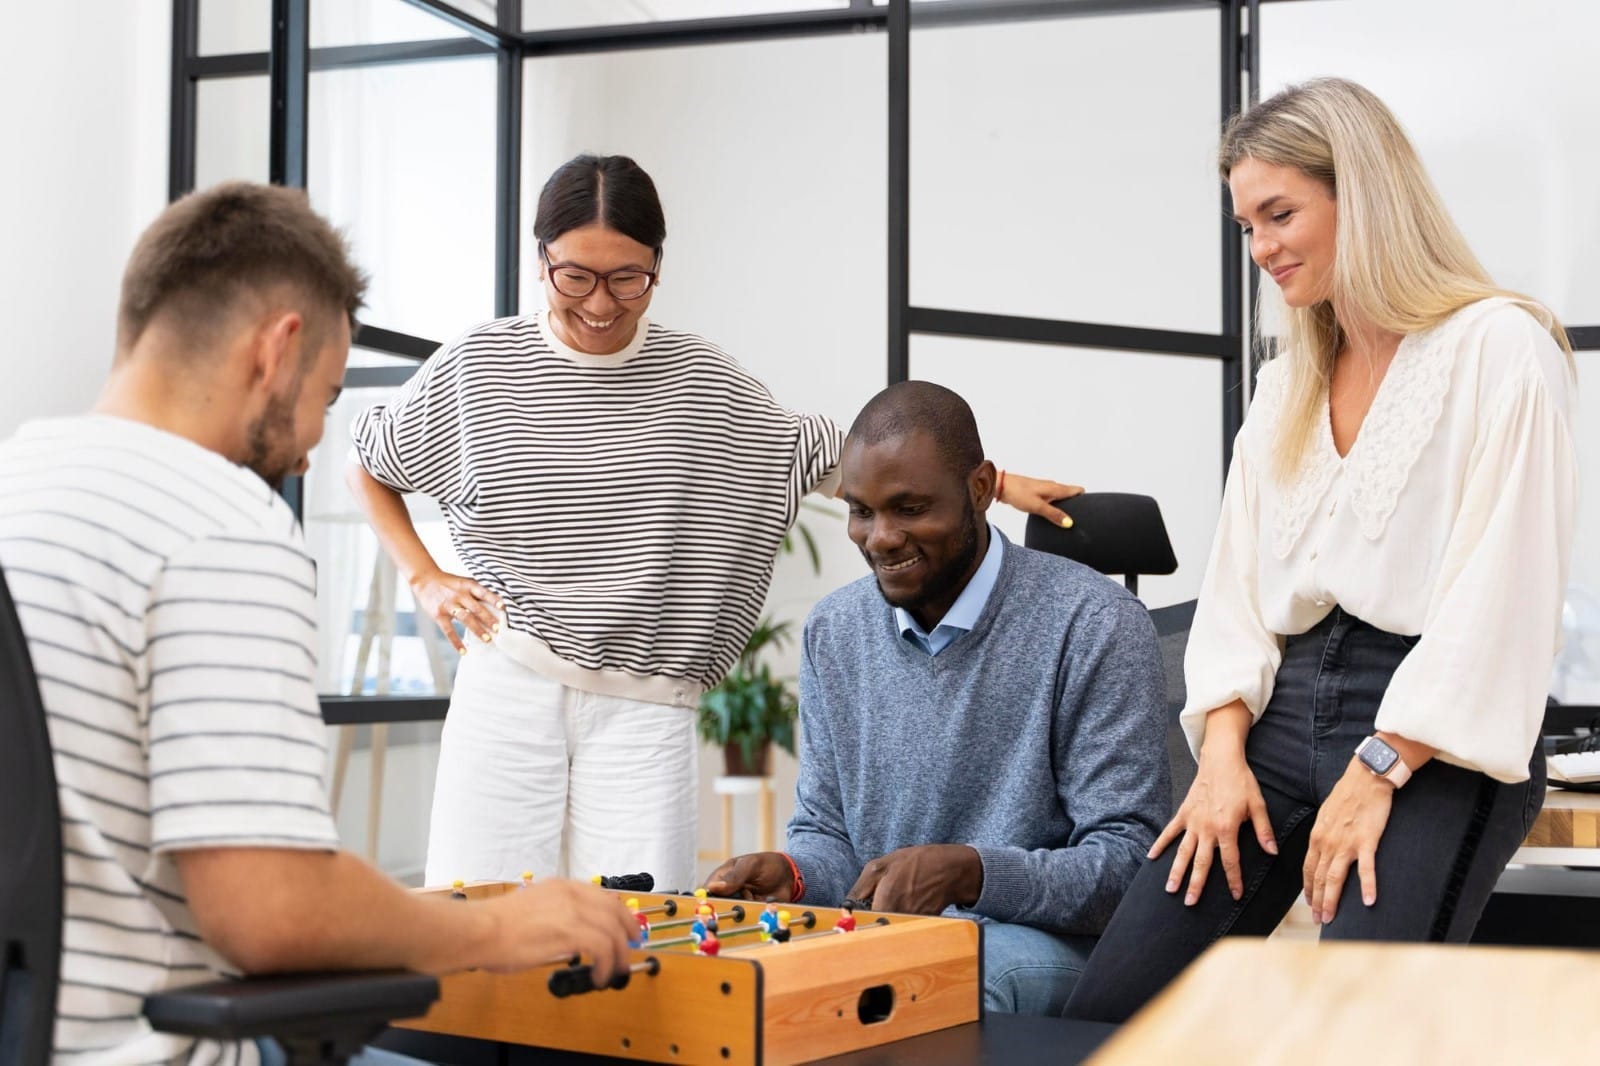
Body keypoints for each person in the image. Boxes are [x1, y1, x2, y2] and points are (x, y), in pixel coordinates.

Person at [0, 182, 636, 1064]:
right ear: (278, 350)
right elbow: (270, 909)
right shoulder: (220, 522)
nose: (308, 451)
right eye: (329, 398)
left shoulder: (17, 481)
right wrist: (496, 930)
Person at [345, 154, 1080, 890]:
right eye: (576, 275)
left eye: (627, 278)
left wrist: (999, 484)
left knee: (640, 949)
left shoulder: (701, 381)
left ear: (657, 268)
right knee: (475, 925)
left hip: (646, 708)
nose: (601, 303)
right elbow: (368, 460)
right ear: (542, 261)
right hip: (507, 684)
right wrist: (427, 577)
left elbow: (838, 460)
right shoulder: (480, 366)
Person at [1063, 79, 1577, 1023]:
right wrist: (1219, 758)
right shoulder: (1287, 381)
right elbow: (1235, 591)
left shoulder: (1502, 349)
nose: (1261, 249)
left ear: (1365, 193)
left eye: (1280, 214)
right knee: (1108, 1015)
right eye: (1246, 226)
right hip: (1273, 716)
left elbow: (1500, 602)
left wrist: (1380, 767)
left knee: (1353, 1022)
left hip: (1433, 735)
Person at [704, 381, 1170, 1015]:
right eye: (861, 511)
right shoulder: (833, 632)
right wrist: (794, 874)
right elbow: (828, 835)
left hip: (1048, 946)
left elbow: (1126, 870)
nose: (882, 538)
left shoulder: (1096, 624)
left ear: (980, 489)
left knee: (929, 991)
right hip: (895, 941)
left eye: (910, 508)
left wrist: (972, 874)